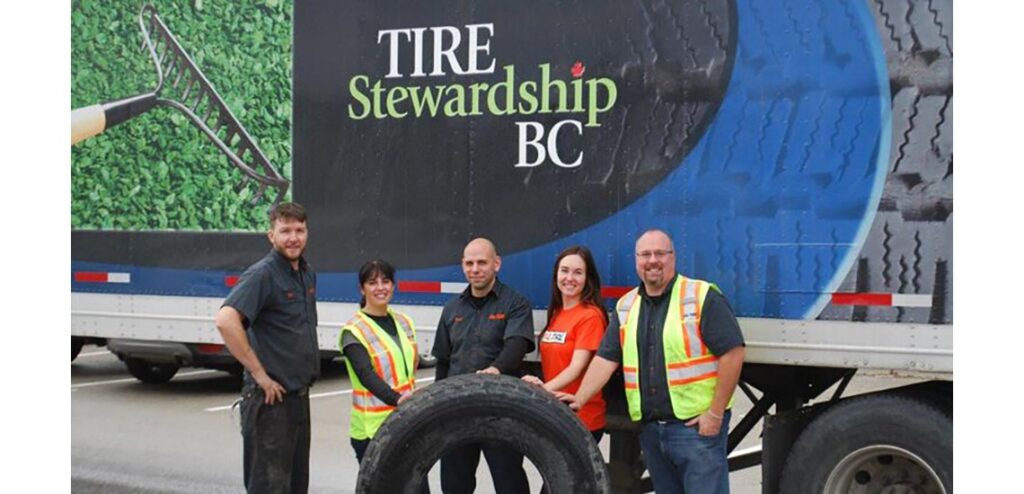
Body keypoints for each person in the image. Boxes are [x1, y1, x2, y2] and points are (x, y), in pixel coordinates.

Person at [561, 229, 745, 494]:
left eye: (660, 253)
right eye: (645, 254)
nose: (652, 261)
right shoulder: (627, 306)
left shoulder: (700, 296)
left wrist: (715, 414)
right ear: (637, 260)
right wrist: (579, 399)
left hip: (696, 431)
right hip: (651, 432)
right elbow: (606, 359)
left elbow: (733, 353)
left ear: (673, 257)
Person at [215, 202, 320, 494]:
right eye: (285, 231)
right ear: (271, 235)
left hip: (297, 399)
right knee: (269, 488)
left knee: (295, 486)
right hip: (271, 402)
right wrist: (260, 374)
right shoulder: (263, 274)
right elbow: (226, 320)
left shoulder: (306, 273)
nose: (293, 238)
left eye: (299, 230)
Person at [431, 238, 536, 494]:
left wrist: (495, 370)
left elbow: (517, 344)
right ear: (462, 265)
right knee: (454, 486)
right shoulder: (451, 309)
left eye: (482, 262)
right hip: (458, 412)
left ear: (496, 264)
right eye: (469, 263)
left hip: (501, 411)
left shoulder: (516, 304)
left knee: (510, 485)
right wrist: (437, 408)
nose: (475, 269)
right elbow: (443, 362)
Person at [339, 259, 428, 493]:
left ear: (393, 285)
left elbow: (412, 364)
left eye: (385, 281)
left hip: (407, 421)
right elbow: (365, 374)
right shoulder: (354, 331)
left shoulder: (404, 322)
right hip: (373, 430)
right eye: (372, 282)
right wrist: (397, 399)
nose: (380, 287)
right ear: (362, 289)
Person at [522, 245, 608, 443]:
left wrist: (542, 391)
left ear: (587, 278)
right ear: (556, 275)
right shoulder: (557, 313)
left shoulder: (591, 316)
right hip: (557, 414)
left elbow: (576, 367)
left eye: (578, 272)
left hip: (582, 418)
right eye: (564, 270)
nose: (570, 278)